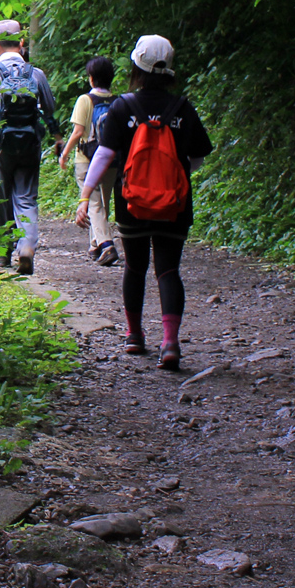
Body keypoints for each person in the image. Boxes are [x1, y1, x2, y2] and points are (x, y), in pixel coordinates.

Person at [78, 35, 212, 369]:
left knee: (135, 268)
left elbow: (105, 154)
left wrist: (85, 195)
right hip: (174, 205)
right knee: (168, 270)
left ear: (136, 66)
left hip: (132, 201)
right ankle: (169, 343)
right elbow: (197, 156)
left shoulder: (124, 106)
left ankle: (135, 336)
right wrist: (176, 176)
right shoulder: (182, 108)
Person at [0, 20, 65, 275]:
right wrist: (56, 136)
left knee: (0, 195)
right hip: (30, 141)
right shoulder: (35, 73)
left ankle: (2, 252)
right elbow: (50, 108)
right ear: (21, 43)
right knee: (26, 196)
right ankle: (27, 246)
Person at [61, 55, 121, 267]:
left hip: (87, 158)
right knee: (103, 203)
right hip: (111, 160)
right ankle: (95, 244)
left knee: (93, 203)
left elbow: (78, 132)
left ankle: (107, 245)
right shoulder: (117, 102)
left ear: (91, 78)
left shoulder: (85, 100)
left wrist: (64, 153)